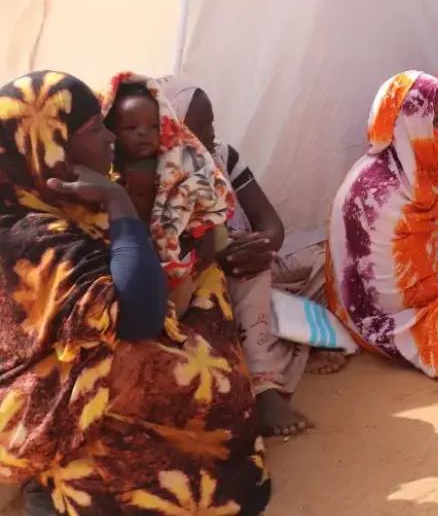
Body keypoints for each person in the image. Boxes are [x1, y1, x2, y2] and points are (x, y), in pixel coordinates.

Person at [0, 72, 271, 515]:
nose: (111, 138)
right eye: (93, 131)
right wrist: (118, 202)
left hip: (86, 363)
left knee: (206, 288)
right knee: (183, 373)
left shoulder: (59, 208)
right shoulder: (26, 236)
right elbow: (140, 315)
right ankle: (78, 476)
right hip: (45, 400)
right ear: (49, 148)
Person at [159, 77, 338, 438]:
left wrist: (260, 245)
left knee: (329, 260)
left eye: (211, 121)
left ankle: (290, 336)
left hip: (251, 261)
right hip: (205, 280)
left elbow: (271, 223)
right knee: (248, 288)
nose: (212, 131)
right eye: (202, 124)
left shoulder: (223, 156)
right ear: (175, 128)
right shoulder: (165, 179)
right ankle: (266, 384)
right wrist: (225, 254)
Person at [326, 71, 438, 378]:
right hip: (401, 318)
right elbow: (388, 296)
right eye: (436, 120)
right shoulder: (371, 195)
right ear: (407, 122)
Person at [101, 73, 233, 314]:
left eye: (153, 126)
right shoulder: (109, 175)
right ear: (111, 131)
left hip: (183, 253)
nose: (143, 132)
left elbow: (203, 197)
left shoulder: (178, 164)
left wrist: (204, 230)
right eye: (131, 127)